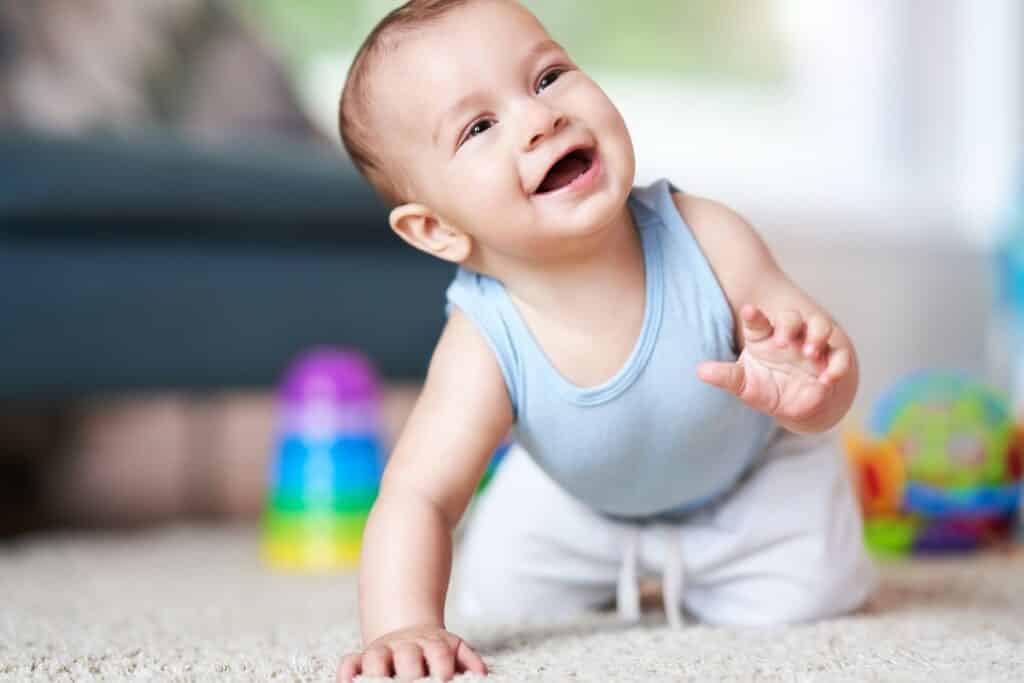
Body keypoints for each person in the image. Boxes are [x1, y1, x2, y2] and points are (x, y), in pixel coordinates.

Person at [336, 1, 875, 679]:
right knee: (495, 590)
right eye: (479, 125)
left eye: (547, 76)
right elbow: (419, 494)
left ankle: (700, 564)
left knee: (819, 589)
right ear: (438, 230)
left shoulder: (708, 237)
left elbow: (820, 381)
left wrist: (817, 391)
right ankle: (625, 560)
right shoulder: (484, 334)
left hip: (746, 481)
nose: (541, 118)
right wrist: (403, 624)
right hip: (578, 500)